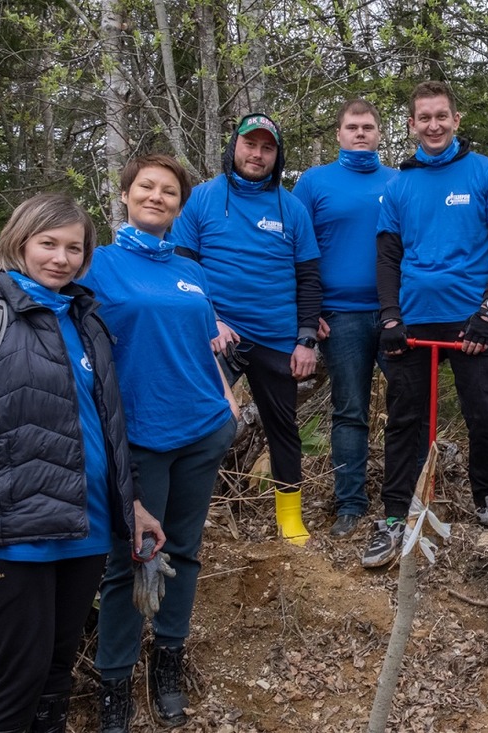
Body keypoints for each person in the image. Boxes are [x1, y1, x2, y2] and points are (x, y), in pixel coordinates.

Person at [0, 155, 240, 733]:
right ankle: (114, 682)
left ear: (181, 206)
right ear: (127, 195)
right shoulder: (95, 264)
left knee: (183, 553)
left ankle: (169, 663)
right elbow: (36, 286)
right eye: (147, 187)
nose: (158, 197)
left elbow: (203, 339)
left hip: (203, 428)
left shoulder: (191, 269)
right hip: (136, 436)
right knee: (131, 560)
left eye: (169, 192)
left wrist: (228, 397)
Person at [0, 193, 164, 733]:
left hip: (87, 530)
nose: (60, 258)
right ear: (20, 243)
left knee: (58, 674)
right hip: (17, 533)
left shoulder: (86, 321)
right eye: (47, 244)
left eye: (73, 248)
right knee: (20, 678)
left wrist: (133, 506)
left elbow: (106, 427)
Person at [370, 80, 488, 569]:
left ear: (456, 120)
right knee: (405, 418)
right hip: (412, 319)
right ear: (412, 125)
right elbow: (387, 256)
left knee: (484, 411)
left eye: (441, 116)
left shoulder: (486, 174)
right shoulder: (398, 185)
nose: (433, 125)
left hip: (471, 319)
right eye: (423, 118)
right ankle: (395, 516)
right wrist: (389, 315)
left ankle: (487, 499)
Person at [172, 112, 322, 545]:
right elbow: (183, 269)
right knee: (198, 422)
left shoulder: (291, 207)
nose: (257, 154)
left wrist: (306, 338)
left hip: (276, 338)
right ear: (233, 146)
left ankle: (289, 519)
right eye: (249, 144)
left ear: (277, 155)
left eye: (267, 147)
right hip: (218, 334)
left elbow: (310, 277)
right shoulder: (201, 199)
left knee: (283, 428)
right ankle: (186, 516)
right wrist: (208, 319)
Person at [292, 99, 396, 539]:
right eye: (352, 127)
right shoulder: (313, 183)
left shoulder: (399, 181)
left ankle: (404, 499)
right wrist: (306, 314)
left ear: (379, 133)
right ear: (338, 134)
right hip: (339, 318)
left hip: (395, 314)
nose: (360, 133)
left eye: (368, 127)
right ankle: (350, 504)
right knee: (349, 410)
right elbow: (294, 251)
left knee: (408, 408)